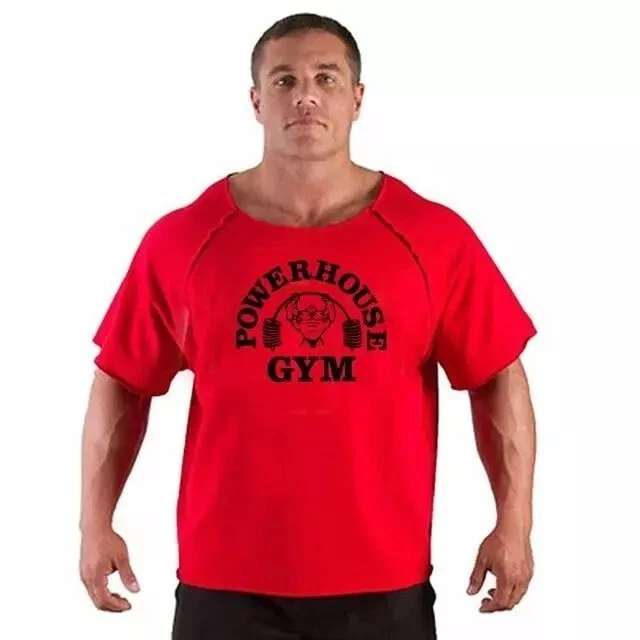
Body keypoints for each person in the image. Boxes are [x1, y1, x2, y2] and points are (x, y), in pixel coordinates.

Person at [79, 12, 537, 640]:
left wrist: (515, 524)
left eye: (326, 77)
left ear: (357, 98)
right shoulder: (183, 239)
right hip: (224, 580)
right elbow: (122, 380)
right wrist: (95, 523)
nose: (306, 96)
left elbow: (497, 376)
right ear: (255, 101)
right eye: (284, 80)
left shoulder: (433, 237)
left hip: (384, 584)